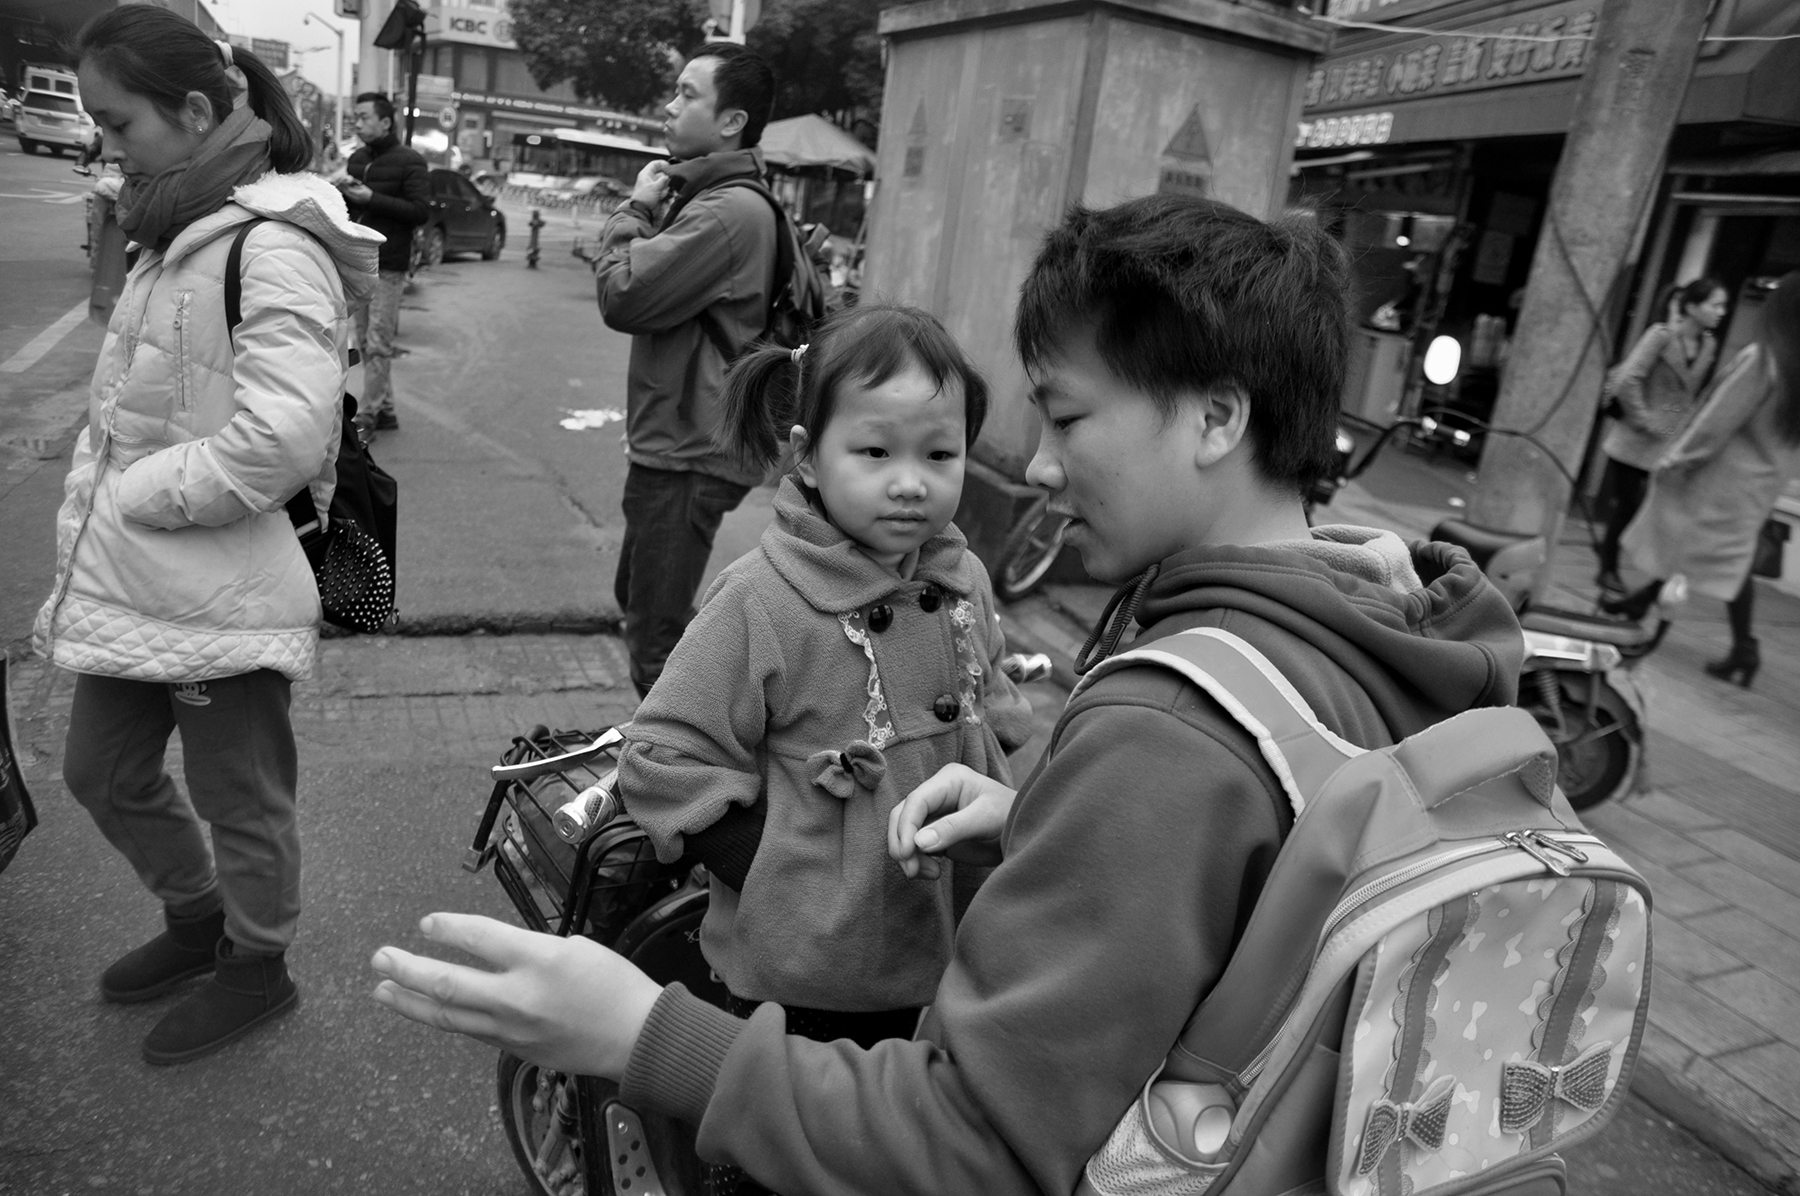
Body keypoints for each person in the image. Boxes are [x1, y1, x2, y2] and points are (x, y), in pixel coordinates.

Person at [369, 194, 1522, 1194]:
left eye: (1064, 416)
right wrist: (1037, 825)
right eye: (877, 452)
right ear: (808, 456)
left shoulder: (1166, 728)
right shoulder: (1389, 628)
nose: (1048, 465)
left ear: (1220, 416)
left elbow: (975, 1144)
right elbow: (1260, 899)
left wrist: (637, 1030)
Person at [618, 303, 1033, 1194]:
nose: (911, 483)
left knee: (900, 1158)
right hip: (801, 975)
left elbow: (995, 706)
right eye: (875, 453)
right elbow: (661, 758)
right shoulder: (763, 598)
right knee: (781, 1167)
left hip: (951, 951)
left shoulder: (962, 578)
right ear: (807, 454)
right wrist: (767, 862)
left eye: (940, 454)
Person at [36, 6, 379, 1064]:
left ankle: (255, 961)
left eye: (118, 120)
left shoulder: (273, 244)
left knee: (243, 796)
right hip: (138, 578)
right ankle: (197, 918)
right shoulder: (172, 221)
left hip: (223, 581)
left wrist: (142, 488)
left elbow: (280, 435)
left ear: (194, 112)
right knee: (100, 770)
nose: (105, 142)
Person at [593, 43, 782, 698]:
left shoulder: (726, 211)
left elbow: (624, 296)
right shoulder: (721, 197)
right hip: (680, 442)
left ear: (731, 121)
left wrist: (633, 211)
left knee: (656, 643)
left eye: (686, 94)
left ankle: (677, 782)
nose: (669, 107)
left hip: (688, 452)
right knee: (642, 603)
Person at [1607, 273, 1800, 688]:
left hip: (1719, 481)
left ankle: (1661, 629)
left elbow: (1718, 420)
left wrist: (1679, 458)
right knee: (1721, 559)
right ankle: (1650, 610)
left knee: (1692, 550)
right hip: (1760, 486)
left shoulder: (1765, 358)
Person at [1594, 276, 1729, 594]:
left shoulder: (1709, 345)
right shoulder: (1661, 336)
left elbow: (1690, 394)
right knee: (1629, 504)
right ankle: (1607, 568)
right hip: (1634, 437)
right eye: (1715, 304)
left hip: (1670, 440)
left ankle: (1615, 557)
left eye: (1724, 306)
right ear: (1693, 307)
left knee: (1649, 508)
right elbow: (1629, 379)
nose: (1722, 312)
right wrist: (1644, 420)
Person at [336, 91, 428, 440]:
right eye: (355, 117)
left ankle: (370, 413)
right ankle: (385, 409)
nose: (357, 123)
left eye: (364, 117)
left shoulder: (411, 161)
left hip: (388, 264)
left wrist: (372, 198)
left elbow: (420, 211)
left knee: (377, 342)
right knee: (365, 340)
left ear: (386, 122)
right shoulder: (357, 158)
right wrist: (343, 191)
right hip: (358, 261)